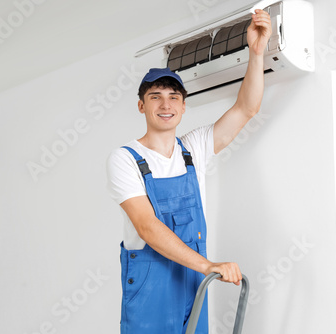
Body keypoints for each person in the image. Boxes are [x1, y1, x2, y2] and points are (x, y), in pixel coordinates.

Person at [106, 9, 272, 334]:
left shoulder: (192, 149)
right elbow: (147, 226)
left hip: (193, 280)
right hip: (151, 286)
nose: (165, 105)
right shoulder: (124, 159)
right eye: (155, 97)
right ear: (141, 105)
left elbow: (246, 108)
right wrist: (208, 266)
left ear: (184, 106)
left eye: (173, 97)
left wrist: (256, 52)